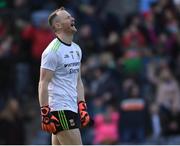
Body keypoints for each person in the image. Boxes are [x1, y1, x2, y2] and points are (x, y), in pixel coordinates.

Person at [38, 7, 90, 145]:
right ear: (58, 25)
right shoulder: (52, 52)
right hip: (60, 108)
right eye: (67, 17)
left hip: (71, 107)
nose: (72, 19)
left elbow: (78, 81)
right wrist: (45, 112)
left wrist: (82, 105)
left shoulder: (76, 49)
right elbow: (43, 83)